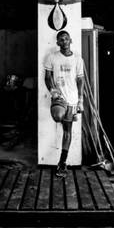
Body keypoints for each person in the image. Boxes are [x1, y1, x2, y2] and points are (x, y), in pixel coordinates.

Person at [44, 31, 84, 178]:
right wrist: (53, 91)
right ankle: (61, 115)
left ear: (70, 40)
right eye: (61, 39)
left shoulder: (78, 59)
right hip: (59, 99)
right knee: (58, 116)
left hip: (72, 100)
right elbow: (47, 77)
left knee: (68, 130)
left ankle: (62, 162)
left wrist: (80, 100)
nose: (64, 41)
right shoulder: (52, 57)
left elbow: (80, 81)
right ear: (58, 43)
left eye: (66, 38)